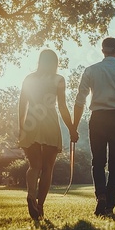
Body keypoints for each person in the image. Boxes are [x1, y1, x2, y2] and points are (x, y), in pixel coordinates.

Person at [73, 37, 115, 216]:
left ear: (102, 51)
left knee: (98, 162)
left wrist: (74, 126)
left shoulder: (91, 70)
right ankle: (109, 206)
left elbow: (80, 100)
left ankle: (101, 195)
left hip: (98, 118)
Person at [18, 49, 78, 220]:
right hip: (50, 122)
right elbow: (62, 106)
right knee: (47, 168)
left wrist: (21, 127)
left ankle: (31, 195)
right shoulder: (58, 79)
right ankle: (40, 206)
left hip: (31, 123)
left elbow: (22, 103)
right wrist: (71, 128)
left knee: (34, 166)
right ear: (55, 63)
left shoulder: (29, 79)